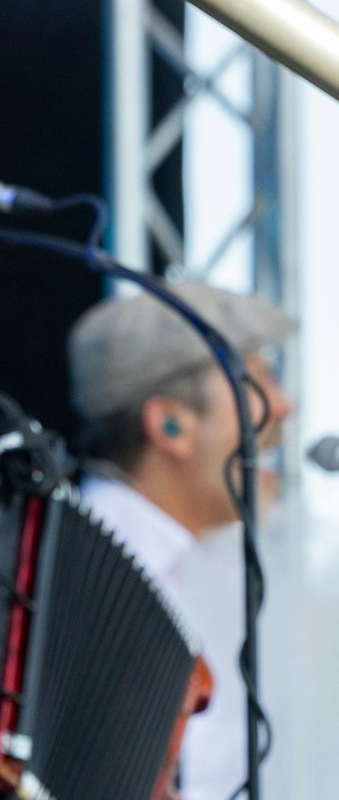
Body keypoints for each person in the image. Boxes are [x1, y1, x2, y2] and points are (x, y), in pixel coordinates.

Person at [68, 281, 296, 800]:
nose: (282, 407)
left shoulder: (219, 564)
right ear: (170, 424)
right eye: (257, 383)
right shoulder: (76, 576)